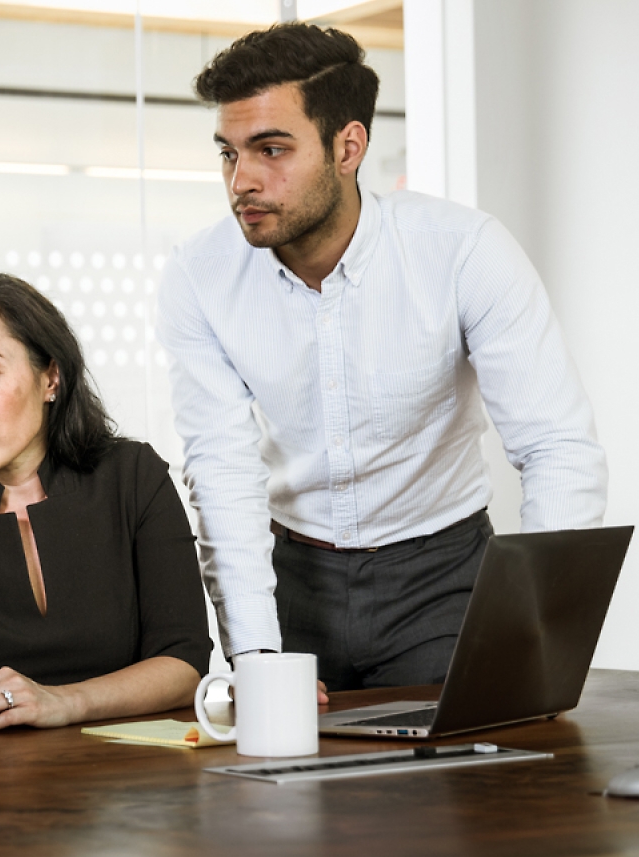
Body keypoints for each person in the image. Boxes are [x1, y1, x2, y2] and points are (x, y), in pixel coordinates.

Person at [157, 24, 608, 692]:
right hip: (293, 580)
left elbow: (557, 446)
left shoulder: (463, 251)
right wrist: (253, 657)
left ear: (348, 145)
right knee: (287, 790)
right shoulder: (199, 276)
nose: (242, 180)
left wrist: (532, 631)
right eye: (228, 153)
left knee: (469, 783)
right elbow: (221, 470)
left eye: (271, 149)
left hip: (443, 579)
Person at [0, 274, 213, 752]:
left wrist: (64, 702)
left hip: (132, 782)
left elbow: (184, 661)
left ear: (50, 377)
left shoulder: (133, 478)